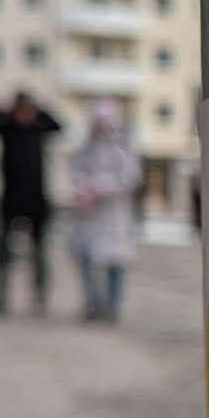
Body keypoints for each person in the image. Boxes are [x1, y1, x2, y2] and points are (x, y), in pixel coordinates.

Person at [0, 93, 62, 316]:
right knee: (2, 253)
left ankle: (39, 298)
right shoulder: (8, 128)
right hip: (11, 199)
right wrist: (4, 111)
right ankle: (0, 298)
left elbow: (58, 126)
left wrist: (40, 109)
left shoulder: (39, 127)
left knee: (39, 254)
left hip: (36, 199)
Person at [70, 100, 143, 322]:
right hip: (90, 215)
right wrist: (82, 186)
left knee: (115, 264)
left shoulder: (122, 146)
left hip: (115, 215)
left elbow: (130, 177)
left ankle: (112, 308)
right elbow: (76, 169)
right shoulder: (87, 145)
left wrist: (99, 187)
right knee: (84, 257)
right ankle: (94, 303)